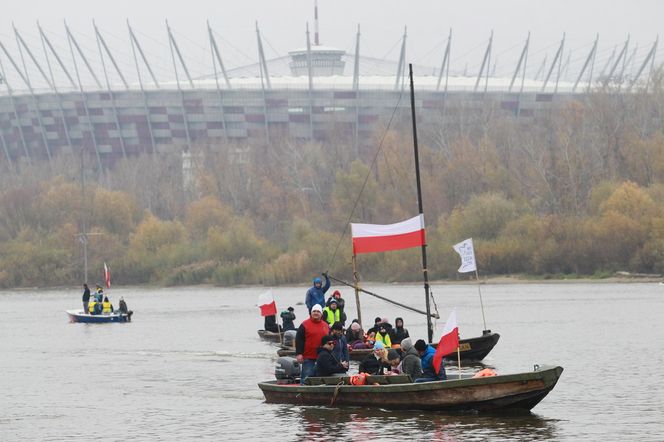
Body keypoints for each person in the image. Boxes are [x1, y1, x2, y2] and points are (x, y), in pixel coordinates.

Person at [295, 304, 330, 384]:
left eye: (318, 311)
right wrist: (299, 354)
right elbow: (299, 340)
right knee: (306, 378)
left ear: (321, 314)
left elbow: (329, 341)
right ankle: (302, 392)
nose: (316, 313)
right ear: (311, 313)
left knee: (320, 379)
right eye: (314, 311)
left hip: (322, 357)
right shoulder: (304, 324)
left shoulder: (325, 325)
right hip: (308, 357)